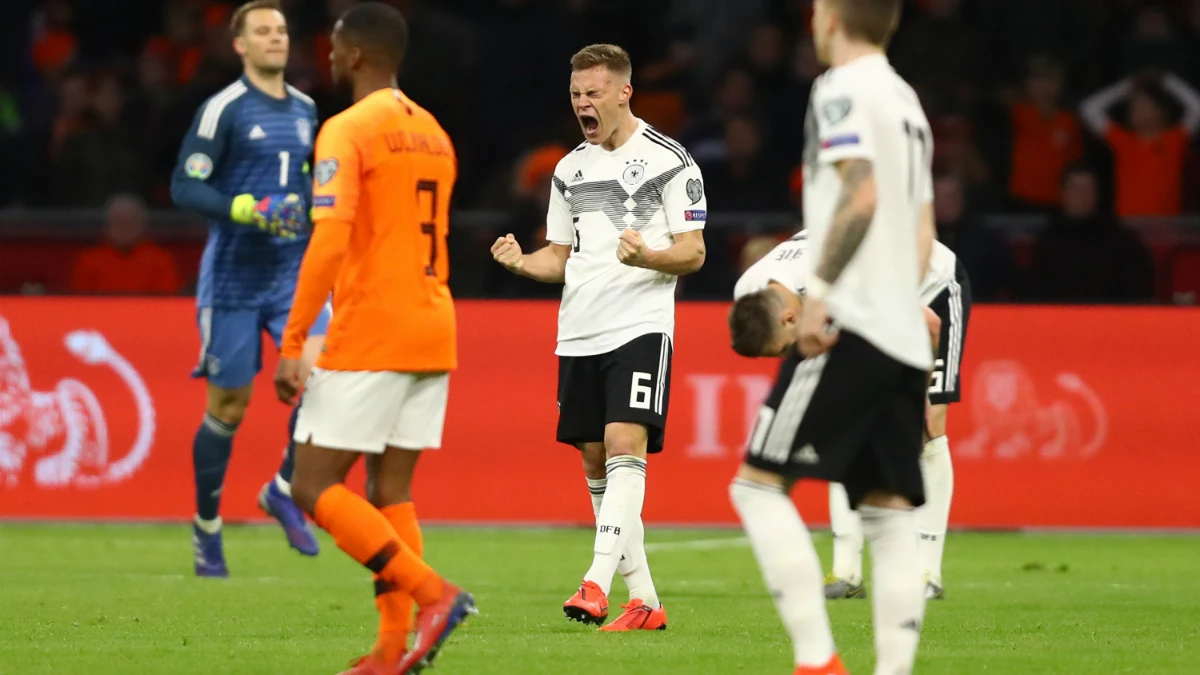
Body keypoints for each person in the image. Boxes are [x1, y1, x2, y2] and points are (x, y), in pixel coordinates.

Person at [727, 0, 936, 673]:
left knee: (757, 485)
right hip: (901, 326)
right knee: (888, 508)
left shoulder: (839, 87)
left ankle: (818, 661)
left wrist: (820, 295)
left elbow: (862, 194)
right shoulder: (907, 101)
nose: (812, 20)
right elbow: (923, 229)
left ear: (834, 19)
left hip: (852, 321)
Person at [274, 4, 475, 673]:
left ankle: (433, 593)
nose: (327, 59)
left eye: (333, 49)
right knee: (391, 487)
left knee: (311, 483)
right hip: (433, 322)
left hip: (374, 326)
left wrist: (295, 339)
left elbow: (330, 236)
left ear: (356, 54)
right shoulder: (435, 133)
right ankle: (393, 649)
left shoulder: (348, 128)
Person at [490, 43, 706, 632]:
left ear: (623, 92)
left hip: (639, 324)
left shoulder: (671, 160)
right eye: (576, 95)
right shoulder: (570, 168)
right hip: (578, 329)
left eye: (593, 93)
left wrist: (649, 255)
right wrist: (520, 263)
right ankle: (646, 603)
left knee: (622, 444)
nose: (583, 104)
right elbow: (560, 258)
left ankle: (595, 582)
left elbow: (694, 252)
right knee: (593, 459)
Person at [169, 0, 328, 577]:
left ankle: (283, 488)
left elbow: (309, 182)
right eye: (262, 31)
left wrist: (306, 209)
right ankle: (207, 529)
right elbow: (185, 186)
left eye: (281, 29)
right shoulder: (224, 109)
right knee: (229, 406)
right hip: (234, 282)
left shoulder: (309, 109)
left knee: (328, 377)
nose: (275, 38)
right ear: (239, 44)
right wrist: (246, 207)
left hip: (292, 277)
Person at [728, 234, 969, 602]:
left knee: (930, 426)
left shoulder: (837, 283)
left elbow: (930, 324)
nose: (788, 356)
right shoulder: (750, 292)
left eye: (784, 348)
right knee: (846, 427)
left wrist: (911, 390)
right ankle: (846, 572)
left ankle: (927, 573)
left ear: (791, 319)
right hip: (869, 292)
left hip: (931, 287)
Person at [1079, 71, 1200, 217]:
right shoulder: (1123, 140)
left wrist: (1166, 81)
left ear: (1160, 112)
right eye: (1133, 105)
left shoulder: (1175, 140)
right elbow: (1089, 108)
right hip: (1129, 228)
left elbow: (1197, 108)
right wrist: (1127, 86)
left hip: (1166, 229)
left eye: (1143, 104)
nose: (1134, 109)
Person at [70, 194, 182, 295]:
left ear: (143, 224)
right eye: (118, 220)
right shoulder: (88, 261)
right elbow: (78, 304)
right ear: (107, 225)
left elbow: (167, 304)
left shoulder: (161, 261)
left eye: (131, 221)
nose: (124, 226)